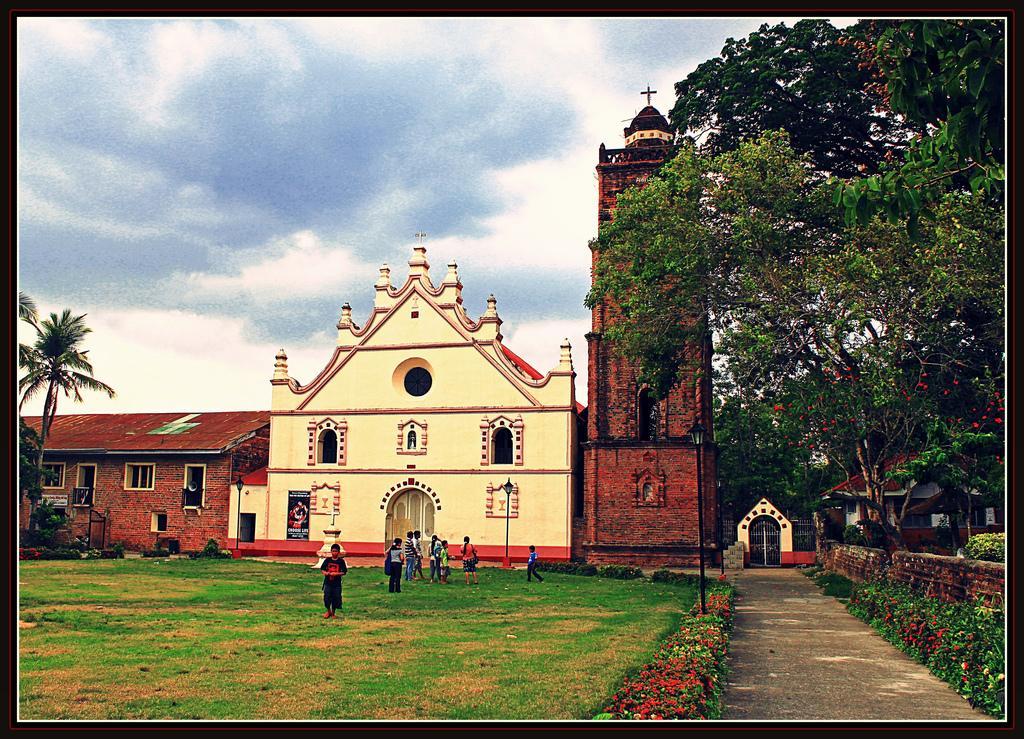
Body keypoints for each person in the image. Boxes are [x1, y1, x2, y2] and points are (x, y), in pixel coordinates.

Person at [319, 543, 348, 617]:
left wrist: (336, 574)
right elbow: (322, 569)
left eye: (336, 551)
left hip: (337, 583)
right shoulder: (327, 560)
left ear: (338, 552)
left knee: (336, 597)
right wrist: (326, 573)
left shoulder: (341, 561)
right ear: (331, 551)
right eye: (333, 551)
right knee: (327, 597)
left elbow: (344, 572)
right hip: (328, 582)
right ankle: (328, 611)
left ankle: (333, 612)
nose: (334, 553)